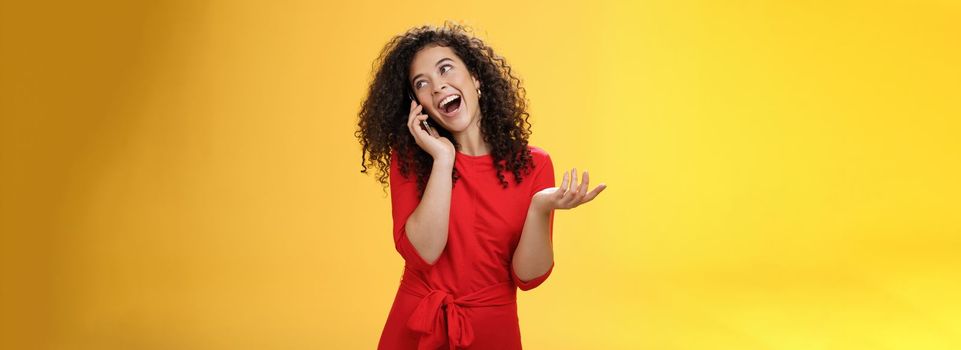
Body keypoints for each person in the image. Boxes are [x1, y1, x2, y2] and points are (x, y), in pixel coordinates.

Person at [356, 21, 606, 349]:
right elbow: (424, 253)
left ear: (475, 78)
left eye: (446, 69)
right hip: (416, 327)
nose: (437, 86)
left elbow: (528, 278)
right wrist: (443, 160)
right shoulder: (412, 159)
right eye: (422, 83)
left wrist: (540, 208)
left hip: (491, 330)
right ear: (418, 105)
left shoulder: (534, 165)